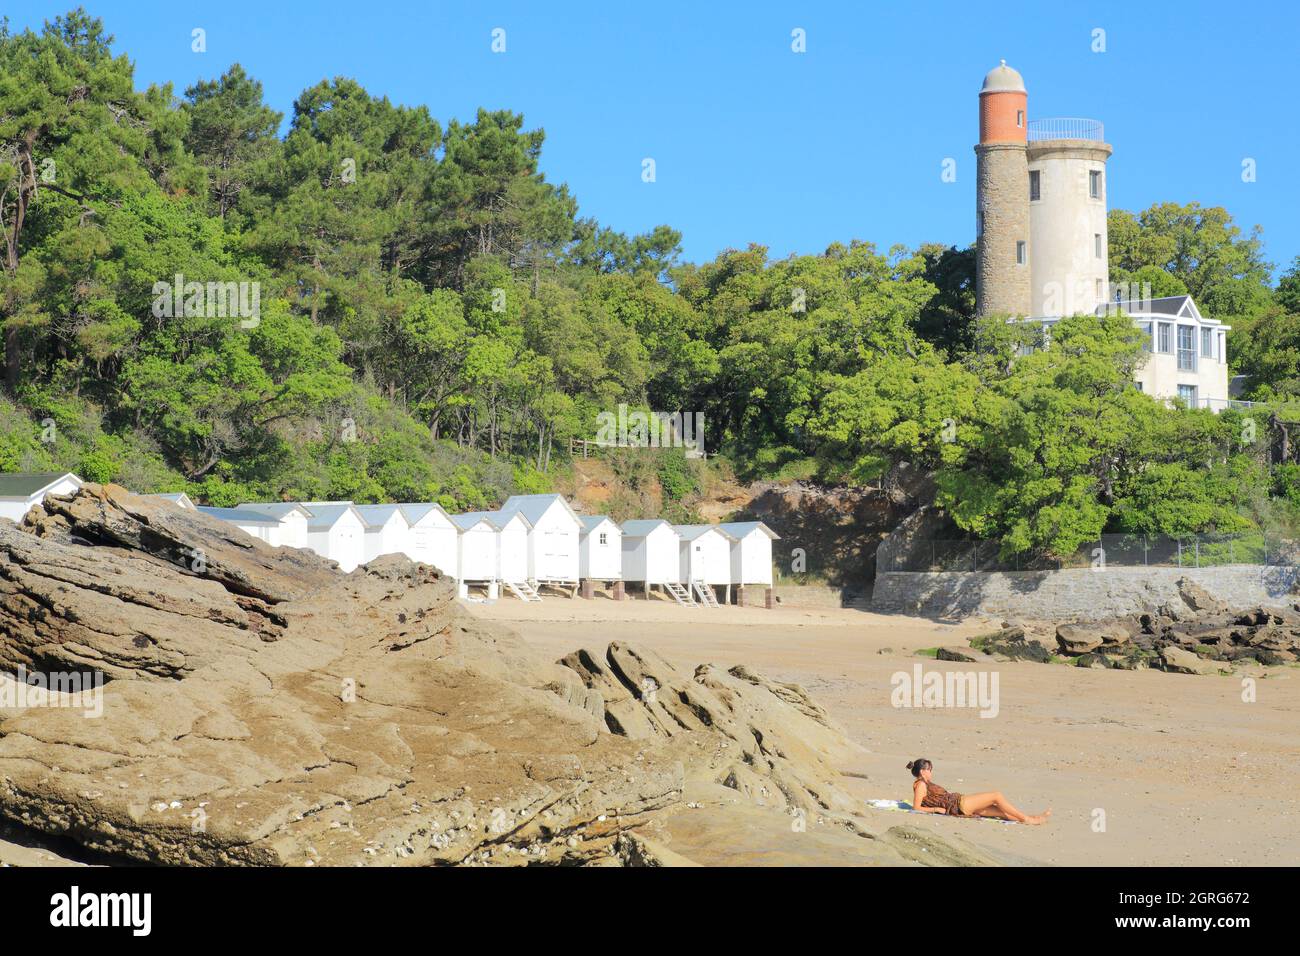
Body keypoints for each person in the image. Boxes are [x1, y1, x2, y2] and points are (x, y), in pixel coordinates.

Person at [907, 758, 1051, 825]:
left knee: (999, 811)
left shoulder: (924, 783)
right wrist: (936, 809)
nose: (931, 773)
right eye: (929, 770)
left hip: (958, 805)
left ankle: (1032, 818)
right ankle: (1027, 819)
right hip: (958, 805)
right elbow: (916, 807)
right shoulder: (920, 785)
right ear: (922, 771)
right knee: (996, 796)